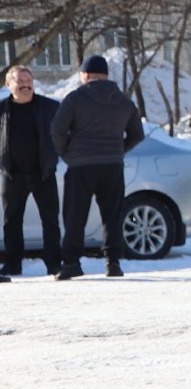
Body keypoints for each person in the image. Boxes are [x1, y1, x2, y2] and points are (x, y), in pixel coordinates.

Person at [51, 55, 143, 278]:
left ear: (85, 74)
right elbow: (137, 135)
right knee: (112, 215)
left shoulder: (75, 99)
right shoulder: (124, 101)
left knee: (75, 215)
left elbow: (57, 130)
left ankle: (72, 263)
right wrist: (118, 149)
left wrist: (67, 153)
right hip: (112, 165)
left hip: (81, 165)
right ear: (106, 75)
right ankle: (113, 262)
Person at [1, 64, 62, 279]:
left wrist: (56, 156)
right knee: (11, 222)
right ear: (9, 85)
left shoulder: (50, 107)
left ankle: (54, 265)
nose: (25, 85)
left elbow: (65, 134)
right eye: (20, 82)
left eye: (28, 81)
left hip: (43, 173)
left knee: (51, 221)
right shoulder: (2, 110)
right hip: (12, 173)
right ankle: (12, 265)